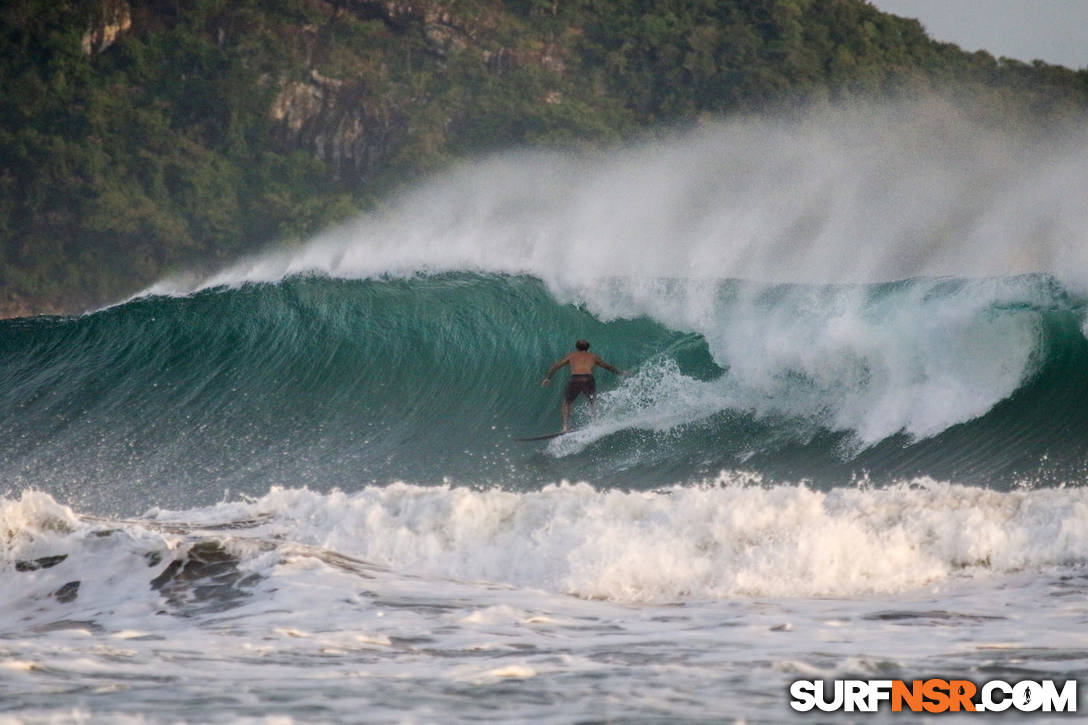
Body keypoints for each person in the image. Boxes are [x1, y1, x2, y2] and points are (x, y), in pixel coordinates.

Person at [540, 339, 623, 432]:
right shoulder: (593, 356)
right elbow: (607, 366)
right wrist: (619, 373)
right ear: (588, 347)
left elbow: (556, 366)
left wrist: (548, 378)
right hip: (588, 378)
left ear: (576, 347)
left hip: (575, 378)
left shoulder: (571, 355)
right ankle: (595, 423)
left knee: (566, 403)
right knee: (593, 402)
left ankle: (565, 427)